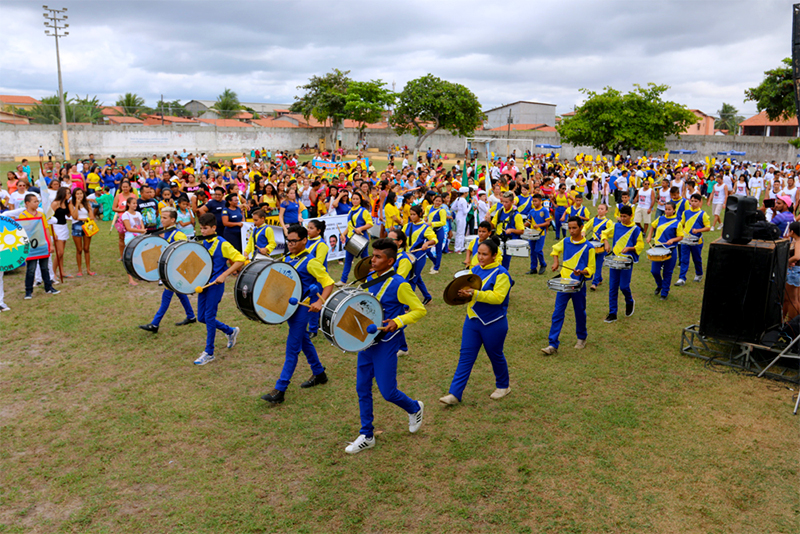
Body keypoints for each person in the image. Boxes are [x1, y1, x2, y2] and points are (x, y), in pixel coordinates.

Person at [344, 239, 426, 454]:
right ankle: (366, 434)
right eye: (373, 255)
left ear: (390, 261)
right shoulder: (370, 278)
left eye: (378, 256)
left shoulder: (400, 284)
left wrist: (397, 322)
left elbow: (419, 310)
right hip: (366, 341)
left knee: (388, 392)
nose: (373, 259)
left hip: (386, 343)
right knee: (362, 387)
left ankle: (414, 407)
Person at [261, 224, 334, 404]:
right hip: (288, 307)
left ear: (304, 240)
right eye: (288, 240)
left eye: (294, 241)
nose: (290, 244)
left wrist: (319, 301)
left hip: (302, 308)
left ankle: (280, 388)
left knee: (292, 347)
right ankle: (319, 374)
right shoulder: (287, 258)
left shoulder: (311, 262)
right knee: (303, 340)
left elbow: (329, 283)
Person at [439, 237, 513, 404]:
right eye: (479, 253)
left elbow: (498, 298)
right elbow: (469, 291)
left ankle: (503, 386)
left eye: (484, 254)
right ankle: (455, 394)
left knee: (495, 355)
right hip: (472, 320)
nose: (480, 257)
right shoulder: (476, 270)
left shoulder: (502, 274)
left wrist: (474, 293)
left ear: (494, 255)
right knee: (465, 356)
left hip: (494, 323)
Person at [193, 213, 244, 366]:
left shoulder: (223, 243)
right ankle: (230, 331)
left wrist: (224, 274)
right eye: (201, 228)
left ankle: (209, 352)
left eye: (206, 228)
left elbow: (240, 259)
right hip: (204, 284)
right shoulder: (203, 242)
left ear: (214, 228)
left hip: (215, 285)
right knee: (201, 317)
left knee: (209, 316)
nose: (203, 231)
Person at [541, 216, 595, 355]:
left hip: (578, 286)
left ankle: (582, 338)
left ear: (581, 227)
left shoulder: (589, 247)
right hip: (564, 284)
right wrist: (555, 261)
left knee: (579, 312)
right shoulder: (565, 241)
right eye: (569, 228)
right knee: (557, 312)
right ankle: (552, 344)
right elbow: (555, 249)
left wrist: (582, 271)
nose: (571, 231)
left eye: (574, 228)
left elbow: (591, 268)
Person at [138, 207, 196, 333]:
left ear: (173, 220)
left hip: (173, 273)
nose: (162, 220)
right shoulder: (165, 232)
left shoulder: (178, 234)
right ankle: (191, 316)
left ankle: (155, 324)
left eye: (165, 218)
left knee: (166, 298)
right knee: (180, 294)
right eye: (161, 217)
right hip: (169, 271)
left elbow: (188, 251)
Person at [601, 205, 643, 322]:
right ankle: (612, 313)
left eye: (625, 217)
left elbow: (640, 245)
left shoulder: (635, 229)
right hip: (615, 261)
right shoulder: (616, 226)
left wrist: (630, 248)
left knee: (624, 286)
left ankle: (630, 301)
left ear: (631, 216)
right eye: (621, 216)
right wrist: (606, 243)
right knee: (613, 287)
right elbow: (604, 233)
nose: (623, 219)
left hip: (627, 262)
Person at [18, 194, 60, 299]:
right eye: (34, 201)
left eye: (37, 201)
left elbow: (46, 229)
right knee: (31, 269)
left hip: (42, 244)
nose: (37, 203)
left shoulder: (41, 215)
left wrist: (50, 244)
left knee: (45, 267)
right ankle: (28, 291)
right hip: (31, 247)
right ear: (27, 203)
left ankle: (48, 287)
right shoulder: (23, 216)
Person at [646, 202, 684, 300]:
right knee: (654, 271)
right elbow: (652, 226)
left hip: (670, 250)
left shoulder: (677, 222)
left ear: (674, 210)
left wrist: (672, 240)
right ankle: (660, 285)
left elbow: (680, 236)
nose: (667, 211)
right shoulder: (660, 218)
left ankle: (664, 292)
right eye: (666, 209)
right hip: (657, 249)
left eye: (669, 209)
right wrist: (649, 236)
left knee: (667, 272)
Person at [403, 205, 437, 305]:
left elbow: (434, 239)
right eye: (411, 214)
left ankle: (406, 305)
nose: (412, 217)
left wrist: (427, 243)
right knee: (416, 278)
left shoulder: (425, 227)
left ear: (419, 214)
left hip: (419, 256)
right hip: (408, 256)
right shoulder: (407, 226)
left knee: (412, 279)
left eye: (414, 214)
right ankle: (427, 296)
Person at [675, 193, 711, 286]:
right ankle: (682, 278)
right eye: (692, 201)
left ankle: (699, 274)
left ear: (700, 202)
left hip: (697, 241)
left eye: (696, 201)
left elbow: (708, 227)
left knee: (697, 259)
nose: (693, 203)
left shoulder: (703, 214)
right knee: (684, 259)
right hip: (685, 240)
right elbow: (681, 223)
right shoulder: (685, 212)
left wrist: (698, 230)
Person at [338, 191, 373, 285]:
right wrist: (343, 234)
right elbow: (349, 225)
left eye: (357, 199)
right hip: (351, 238)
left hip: (361, 238)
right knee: (348, 260)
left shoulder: (363, 211)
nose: (355, 200)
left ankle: (369, 279)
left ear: (360, 200)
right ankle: (343, 280)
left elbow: (370, 223)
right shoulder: (351, 211)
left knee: (365, 261)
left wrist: (360, 228)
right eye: (353, 199)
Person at [306, 218, 330, 338]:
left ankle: (313, 329)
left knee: (314, 302)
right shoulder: (307, 241)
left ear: (319, 231)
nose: (308, 230)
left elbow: (319, 263)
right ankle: (320, 323)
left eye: (311, 228)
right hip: (308, 277)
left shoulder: (321, 245)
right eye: (308, 227)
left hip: (317, 278)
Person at [492, 191, 524, 270]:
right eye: (503, 202)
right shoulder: (499, 212)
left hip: (508, 242)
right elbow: (493, 225)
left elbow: (521, 231)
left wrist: (512, 230)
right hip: (498, 241)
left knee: (505, 265)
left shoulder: (516, 215)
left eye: (507, 202)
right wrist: (488, 220)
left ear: (512, 202)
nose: (504, 204)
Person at [582, 203, 611, 291]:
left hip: (602, 245)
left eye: (602, 209)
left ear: (606, 211)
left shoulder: (608, 222)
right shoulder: (593, 219)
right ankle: (600, 278)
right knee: (592, 262)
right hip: (593, 244)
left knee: (598, 264)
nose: (600, 210)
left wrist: (605, 235)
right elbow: (585, 226)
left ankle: (595, 282)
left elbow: (612, 232)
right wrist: (583, 232)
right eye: (598, 208)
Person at [69, 187, 95, 276]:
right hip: (76, 226)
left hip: (87, 225)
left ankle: (88, 269)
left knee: (86, 248)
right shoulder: (71, 204)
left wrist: (82, 218)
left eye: (81, 193)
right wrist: (76, 204)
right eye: (77, 194)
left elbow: (91, 217)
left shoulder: (87, 203)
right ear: (74, 195)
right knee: (79, 249)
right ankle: (79, 270)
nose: (79, 195)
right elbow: (74, 216)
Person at [121, 196, 146, 286]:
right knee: (130, 259)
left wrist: (142, 230)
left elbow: (141, 224)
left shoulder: (138, 214)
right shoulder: (125, 215)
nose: (135, 205)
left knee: (138, 257)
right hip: (130, 238)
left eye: (136, 203)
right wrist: (141, 231)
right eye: (133, 203)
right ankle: (130, 279)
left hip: (139, 237)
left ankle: (138, 275)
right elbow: (129, 228)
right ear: (128, 204)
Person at [526, 194, 550, 274]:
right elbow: (528, 221)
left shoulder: (544, 210)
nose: (534, 203)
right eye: (533, 201)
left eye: (536, 201)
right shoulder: (532, 211)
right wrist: (521, 226)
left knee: (538, 250)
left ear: (540, 201)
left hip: (541, 233)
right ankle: (533, 268)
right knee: (532, 251)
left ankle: (543, 264)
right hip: (532, 233)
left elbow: (548, 222)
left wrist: (538, 225)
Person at [50, 186, 71, 279]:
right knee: (60, 252)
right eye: (67, 193)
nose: (69, 194)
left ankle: (61, 272)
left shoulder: (66, 203)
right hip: (56, 227)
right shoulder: (55, 203)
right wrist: (53, 232)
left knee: (62, 253)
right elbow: (48, 216)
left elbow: (69, 214)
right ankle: (53, 272)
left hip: (64, 226)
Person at [426, 194, 448, 274]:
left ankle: (436, 268)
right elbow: (426, 215)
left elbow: (443, 222)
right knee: (427, 249)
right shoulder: (429, 207)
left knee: (439, 249)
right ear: (433, 200)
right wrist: (425, 217)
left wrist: (432, 224)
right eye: (436, 200)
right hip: (430, 231)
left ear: (442, 202)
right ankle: (435, 262)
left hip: (439, 231)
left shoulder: (442, 210)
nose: (437, 202)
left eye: (439, 201)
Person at [785, 222, 800, 319]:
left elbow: (797, 256)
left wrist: (786, 262)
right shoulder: (795, 241)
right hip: (796, 271)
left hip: (793, 271)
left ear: (792, 231)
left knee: (791, 300)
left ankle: (791, 323)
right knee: (795, 299)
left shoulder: (798, 242)